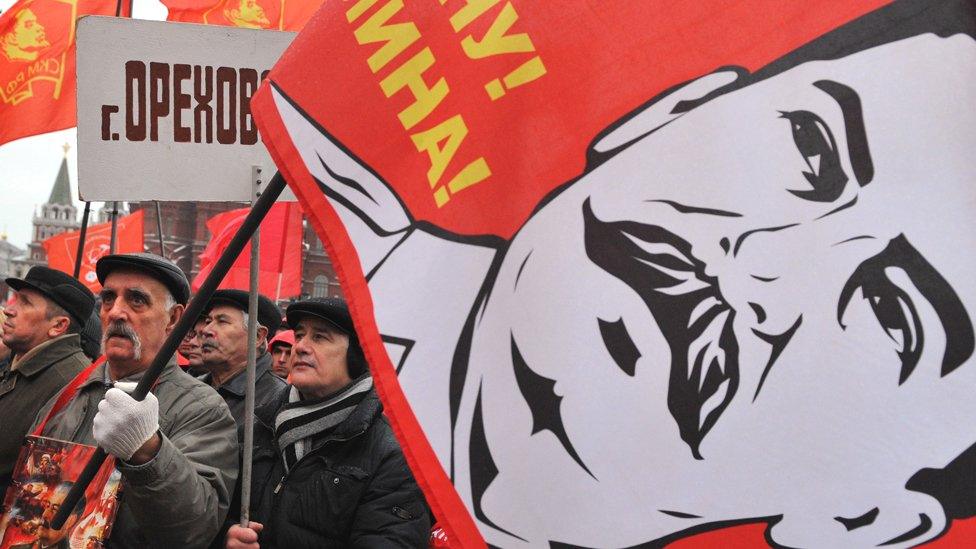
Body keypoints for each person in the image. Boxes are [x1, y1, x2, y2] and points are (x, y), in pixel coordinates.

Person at [267, 1, 976, 546]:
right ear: (661, 113)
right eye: (812, 149)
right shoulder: (319, 136)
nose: (756, 262)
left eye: (892, 313)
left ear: (862, 519)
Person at [30, 253, 239, 548]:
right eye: (108, 298)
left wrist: (148, 452)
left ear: (174, 319)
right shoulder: (71, 391)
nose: (116, 312)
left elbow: (192, 530)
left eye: (136, 300)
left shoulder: (203, 408)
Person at [225, 298, 430, 548]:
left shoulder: (391, 455)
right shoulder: (258, 427)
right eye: (299, 335)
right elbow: (213, 513)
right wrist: (227, 536)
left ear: (356, 355)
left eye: (320, 338)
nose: (299, 346)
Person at [0, 267, 95, 494]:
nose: (9, 309)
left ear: (58, 326)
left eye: (25, 303)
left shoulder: (72, 383)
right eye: (14, 299)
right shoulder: (21, 360)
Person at [198, 289, 287, 429]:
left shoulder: (279, 400)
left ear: (257, 336)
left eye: (222, 321)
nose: (206, 330)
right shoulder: (193, 387)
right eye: (208, 321)